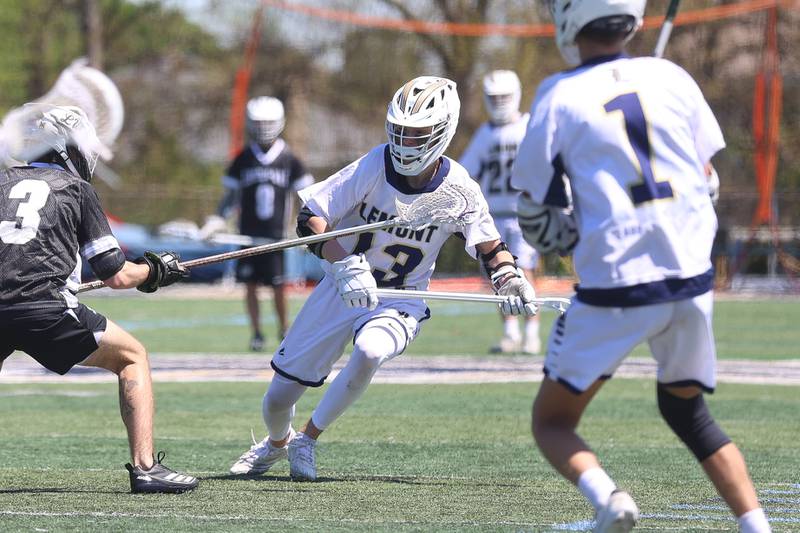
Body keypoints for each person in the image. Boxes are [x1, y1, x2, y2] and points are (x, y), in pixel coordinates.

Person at [510, 1, 771, 532]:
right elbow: (707, 177)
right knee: (687, 412)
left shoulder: (558, 95)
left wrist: (567, 229)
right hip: (690, 281)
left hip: (617, 286)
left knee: (552, 421)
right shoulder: (671, 77)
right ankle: (756, 526)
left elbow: (533, 208)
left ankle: (609, 501)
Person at [229, 76, 538, 481]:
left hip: (400, 297)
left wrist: (509, 279)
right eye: (400, 132)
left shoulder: (460, 188)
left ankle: (307, 438)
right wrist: (343, 265)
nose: (406, 143)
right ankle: (277, 442)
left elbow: (491, 249)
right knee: (277, 399)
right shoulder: (375, 164)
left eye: (417, 135)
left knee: (371, 350)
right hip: (342, 286)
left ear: (442, 131)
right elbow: (310, 219)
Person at [0, 105, 198, 494]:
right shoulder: (78, 190)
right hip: (46, 308)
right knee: (132, 356)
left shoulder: (2, 181)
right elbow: (115, 273)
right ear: (67, 149)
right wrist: (155, 271)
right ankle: (145, 468)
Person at [202, 96, 314, 352]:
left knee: (278, 285)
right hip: (248, 235)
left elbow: (306, 197)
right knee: (250, 285)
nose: (264, 129)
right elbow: (230, 197)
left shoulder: (289, 159)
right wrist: (217, 220)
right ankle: (256, 333)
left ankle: (284, 330)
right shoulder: (243, 158)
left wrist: (308, 229)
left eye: (268, 123)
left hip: (275, 236)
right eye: (259, 123)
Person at [460, 70, 541, 354]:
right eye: (494, 98)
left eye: (504, 97)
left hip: (523, 213)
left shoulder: (529, 127)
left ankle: (531, 333)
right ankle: (510, 333)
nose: (499, 103)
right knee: (497, 273)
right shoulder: (485, 134)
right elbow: (465, 174)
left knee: (525, 270)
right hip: (492, 215)